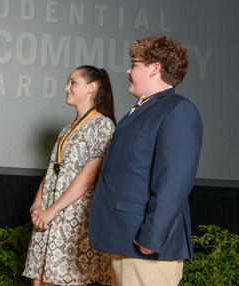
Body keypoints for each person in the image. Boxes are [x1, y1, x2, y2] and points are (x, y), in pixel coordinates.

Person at [88, 35, 203, 286]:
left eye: (135, 64)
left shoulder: (178, 110)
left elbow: (174, 182)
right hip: (125, 239)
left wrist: (152, 237)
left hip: (146, 245)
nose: (128, 70)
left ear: (155, 68)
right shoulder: (141, 109)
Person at [23, 65, 116, 286]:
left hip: (71, 218)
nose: (66, 88)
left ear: (91, 88)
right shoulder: (67, 128)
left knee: (67, 280)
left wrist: (52, 211)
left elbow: (88, 176)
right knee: (39, 280)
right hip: (48, 214)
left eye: (73, 82)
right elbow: (52, 169)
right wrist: (37, 207)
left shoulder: (103, 126)